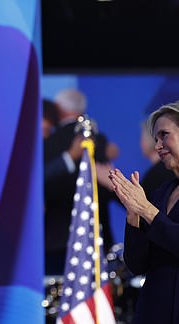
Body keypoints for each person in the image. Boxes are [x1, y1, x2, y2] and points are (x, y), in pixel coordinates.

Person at [109, 99, 179, 324]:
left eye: (164, 135)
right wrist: (134, 215)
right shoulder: (163, 191)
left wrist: (148, 211)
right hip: (155, 317)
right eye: (155, 138)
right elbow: (138, 262)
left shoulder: (156, 201)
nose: (158, 145)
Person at [44, 88, 117, 274]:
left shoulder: (49, 141)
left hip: (58, 241)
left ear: (58, 109)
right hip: (97, 237)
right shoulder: (99, 139)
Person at [138, 120, 175, 200]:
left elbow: (141, 207)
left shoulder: (153, 177)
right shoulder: (172, 168)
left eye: (142, 137)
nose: (140, 142)